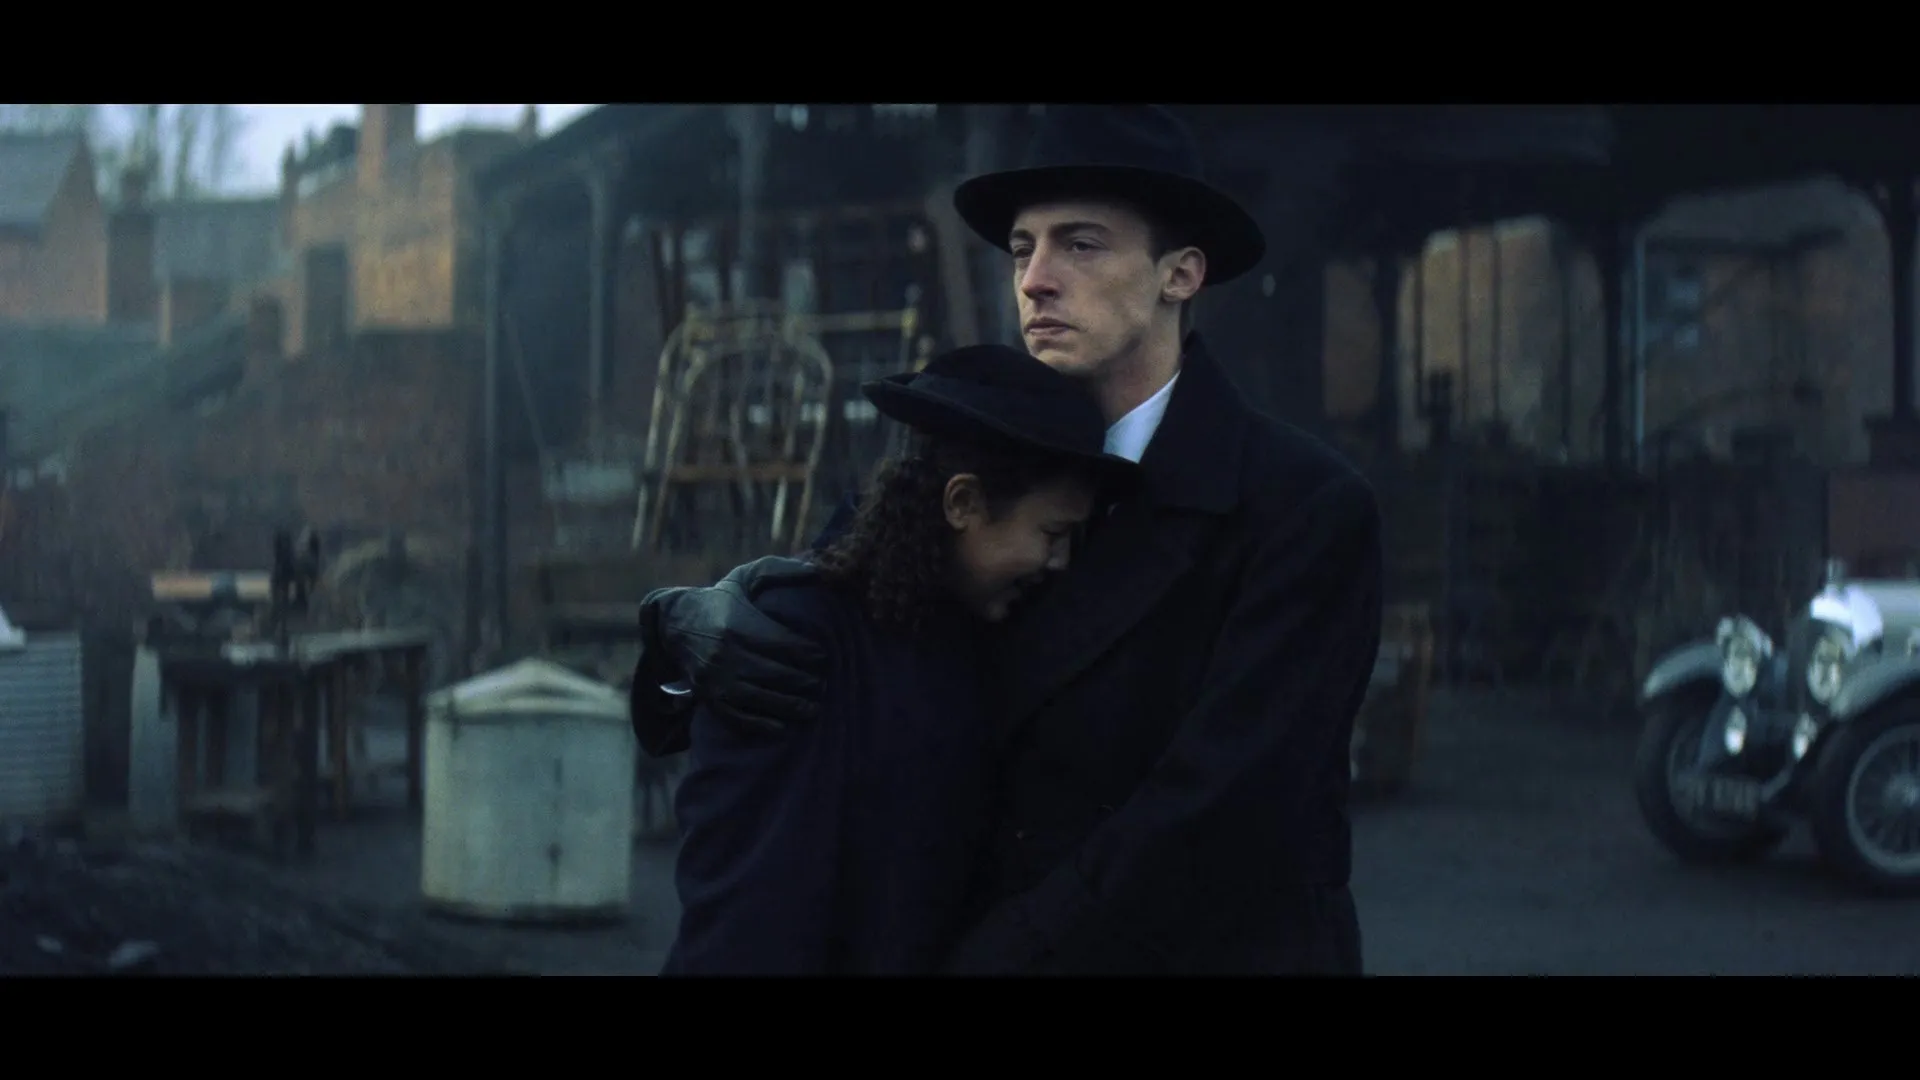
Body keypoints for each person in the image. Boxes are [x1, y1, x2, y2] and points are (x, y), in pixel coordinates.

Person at [633, 104, 1384, 975]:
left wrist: (999, 956)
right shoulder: (970, 452)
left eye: (1081, 244)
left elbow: (1216, 808)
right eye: (1022, 249)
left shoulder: (1303, 510)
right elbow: (839, 598)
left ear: (1180, 273)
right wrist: (689, 624)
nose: (1035, 281)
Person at [659, 344, 1139, 975]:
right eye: (1052, 534)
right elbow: (748, 922)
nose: (1061, 563)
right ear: (963, 504)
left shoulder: (979, 634)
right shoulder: (791, 635)